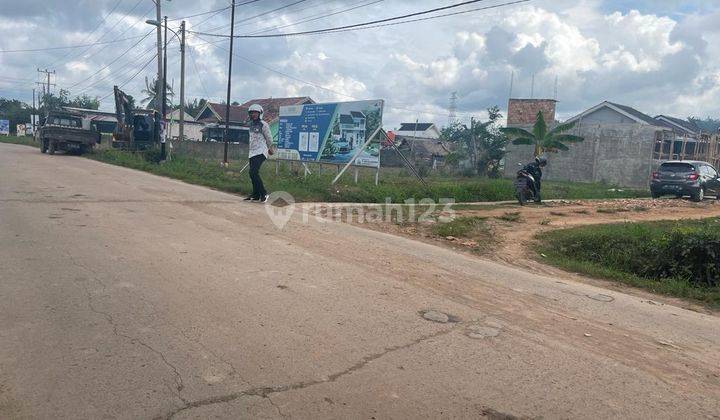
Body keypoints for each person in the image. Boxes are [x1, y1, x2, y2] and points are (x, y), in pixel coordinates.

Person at [244, 104, 274, 202]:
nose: (253, 114)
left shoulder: (263, 124)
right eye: (251, 113)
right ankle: (256, 195)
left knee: (253, 172)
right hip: (252, 152)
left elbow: (268, 137)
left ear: (260, 113)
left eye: (255, 113)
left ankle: (264, 193)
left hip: (261, 152)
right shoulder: (250, 124)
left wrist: (270, 148)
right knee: (252, 173)